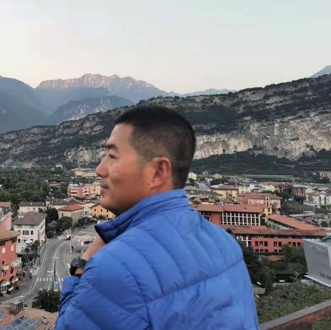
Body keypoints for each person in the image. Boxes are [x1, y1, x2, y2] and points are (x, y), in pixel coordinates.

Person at [55, 106, 259, 329]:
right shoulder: (226, 244)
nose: (99, 169)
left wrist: (82, 266)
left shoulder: (114, 267)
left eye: (112, 156)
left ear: (158, 172)